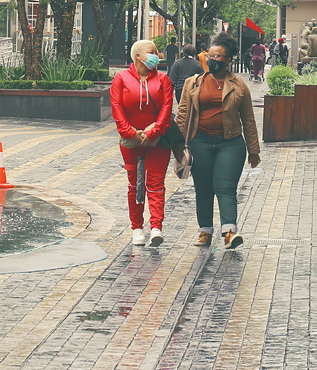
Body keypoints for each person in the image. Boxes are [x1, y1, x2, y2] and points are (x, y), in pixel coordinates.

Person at [175, 31, 260, 250]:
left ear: (228, 60)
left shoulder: (239, 86)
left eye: (217, 56)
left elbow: (248, 119)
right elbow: (183, 114)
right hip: (200, 142)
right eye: (209, 55)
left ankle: (229, 232)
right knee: (203, 188)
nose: (211, 59)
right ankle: (205, 231)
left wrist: (254, 150)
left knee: (225, 186)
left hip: (230, 143)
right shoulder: (192, 83)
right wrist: (175, 146)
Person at [110, 38, 174, 247]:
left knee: (156, 184)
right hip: (130, 141)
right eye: (152, 51)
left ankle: (156, 226)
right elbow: (117, 110)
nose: (157, 55)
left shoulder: (163, 80)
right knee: (134, 184)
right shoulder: (120, 79)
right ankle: (137, 228)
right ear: (138, 56)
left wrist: (153, 132)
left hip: (157, 140)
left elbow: (166, 109)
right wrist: (130, 133)